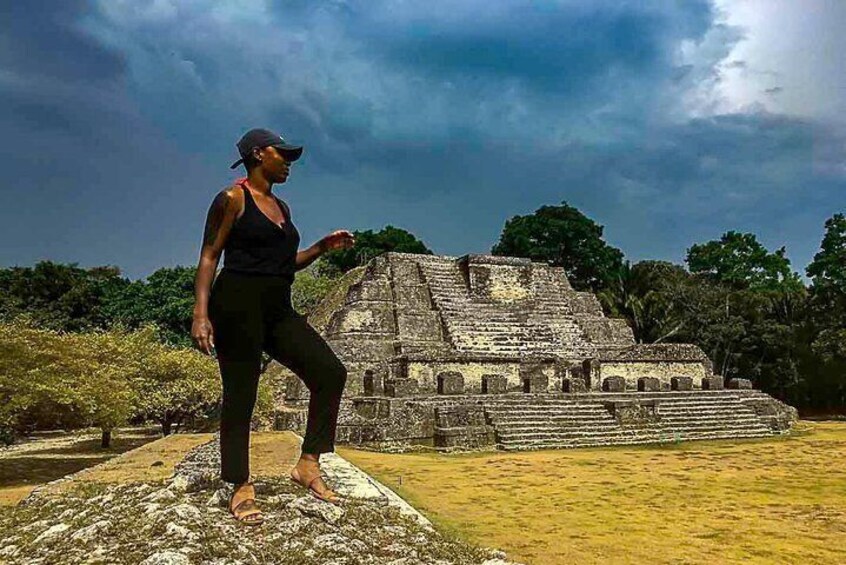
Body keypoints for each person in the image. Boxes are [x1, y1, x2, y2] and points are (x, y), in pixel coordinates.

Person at [191, 128, 355, 525]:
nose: (289, 163)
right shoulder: (232, 199)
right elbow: (210, 255)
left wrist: (320, 248)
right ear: (259, 154)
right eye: (283, 155)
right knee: (241, 395)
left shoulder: (282, 207)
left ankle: (308, 464)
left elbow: (284, 264)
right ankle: (240, 484)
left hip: (278, 308)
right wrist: (201, 313)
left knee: (329, 372)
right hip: (236, 306)